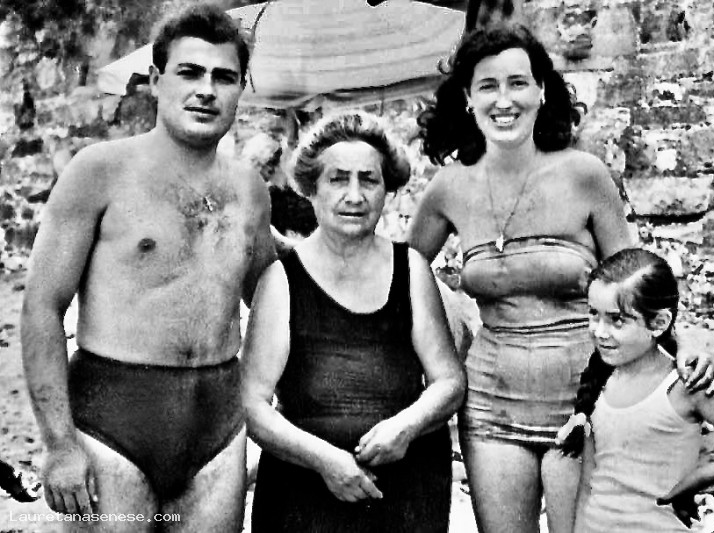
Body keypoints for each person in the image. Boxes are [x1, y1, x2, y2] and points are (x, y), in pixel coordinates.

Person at [407, 22, 714, 533]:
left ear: (542, 91)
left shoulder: (584, 174)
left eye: (517, 83)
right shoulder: (448, 187)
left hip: (585, 402)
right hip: (490, 406)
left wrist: (682, 349)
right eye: (487, 85)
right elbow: (402, 273)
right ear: (467, 98)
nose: (503, 100)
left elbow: (637, 283)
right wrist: (444, 337)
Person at [21, 5, 274, 530]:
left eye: (224, 77)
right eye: (190, 72)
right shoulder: (99, 170)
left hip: (218, 427)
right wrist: (60, 444)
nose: (206, 90)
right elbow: (42, 306)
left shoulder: (249, 188)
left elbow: (272, 295)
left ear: (240, 90)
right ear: (157, 81)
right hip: (113, 420)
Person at [242, 111, 466, 532]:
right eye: (338, 179)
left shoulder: (412, 269)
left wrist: (405, 427)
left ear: (387, 189)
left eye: (369, 180)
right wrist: (324, 460)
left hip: (405, 491)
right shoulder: (282, 280)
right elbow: (252, 404)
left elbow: (449, 381)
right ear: (311, 188)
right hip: (303, 493)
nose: (354, 195)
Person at [558, 248, 714, 532]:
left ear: (659, 323)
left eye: (617, 320)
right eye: (594, 314)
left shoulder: (686, 385)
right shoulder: (599, 382)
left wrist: (700, 478)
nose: (600, 331)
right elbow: (588, 486)